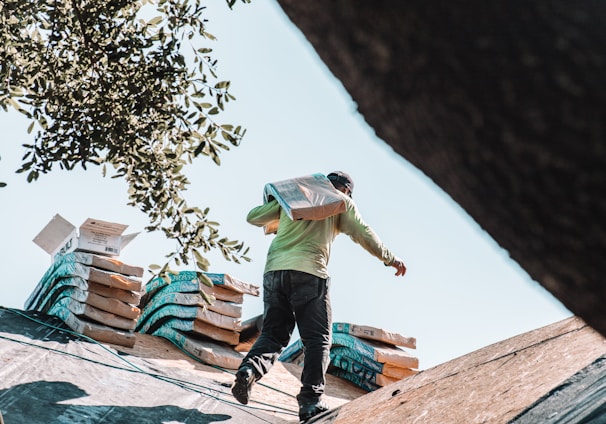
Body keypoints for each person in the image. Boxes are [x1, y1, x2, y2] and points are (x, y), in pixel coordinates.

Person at [231, 171, 407, 422]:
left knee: (273, 333)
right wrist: (390, 258)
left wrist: (278, 201)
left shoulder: (296, 199)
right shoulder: (342, 203)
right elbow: (363, 233)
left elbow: (253, 217)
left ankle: (249, 370)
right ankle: (311, 402)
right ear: (346, 190)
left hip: (274, 272)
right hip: (310, 274)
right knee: (318, 340)